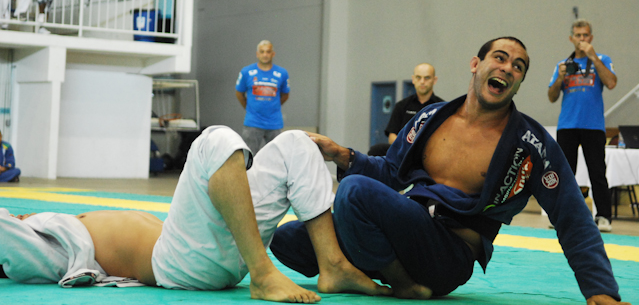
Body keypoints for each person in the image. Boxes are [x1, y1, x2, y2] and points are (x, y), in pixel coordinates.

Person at [271, 37, 629, 305]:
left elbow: (572, 215)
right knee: (288, 240)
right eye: (500, 58)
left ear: (519, 83)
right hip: (405, 231)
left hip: (446, 255)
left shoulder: (530, 144)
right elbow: (390, 172)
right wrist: (341, 154)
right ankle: (369, 267)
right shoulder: (430, 119)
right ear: (476, 64)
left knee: (353, 193)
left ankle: (402, 283)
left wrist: (600, 290)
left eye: (517, 67)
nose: (507, 68)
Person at [0, 126, 390, 302]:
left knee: (295, 143)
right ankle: (263, 273)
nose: (19, 218)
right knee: (214, 141)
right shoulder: (41, 249)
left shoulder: (47, 227)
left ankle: (333, 265)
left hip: (215, 246)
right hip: (180, 264)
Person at [548, 19, 617, 233]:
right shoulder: (563, 64)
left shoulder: (602, 59)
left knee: (597, 171)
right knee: (565, 173)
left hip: (593, 125)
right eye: (578, 35)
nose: (582, 39)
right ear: (571, 39)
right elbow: (551, 96)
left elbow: (612, 82)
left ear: (591, 38)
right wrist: (559, 79)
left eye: (585, 35)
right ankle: (561, 214)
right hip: (567, 124)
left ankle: (603, 216)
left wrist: (593, 56)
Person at [235, 40, 290, 155]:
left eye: (268, 52)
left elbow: (285, 95)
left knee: (277, 158)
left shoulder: (282, 73)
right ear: (257, 54)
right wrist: (250, 108)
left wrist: (273, 107)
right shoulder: (247, 72)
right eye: (262, 52)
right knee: (248, 158)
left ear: (273, 54)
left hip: (274, 123)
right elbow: (239, 93)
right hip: (253, 122)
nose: (265, 55)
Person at [386, 62, 443, 145]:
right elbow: (392, 136)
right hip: (405, 154)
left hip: (431, 154)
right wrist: (407, 148)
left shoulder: (442, 108)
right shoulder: (401, 106)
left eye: (427, 78)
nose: (422, 82)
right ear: (413, 79)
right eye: (418, 77)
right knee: (377, 150)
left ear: (434, 80)